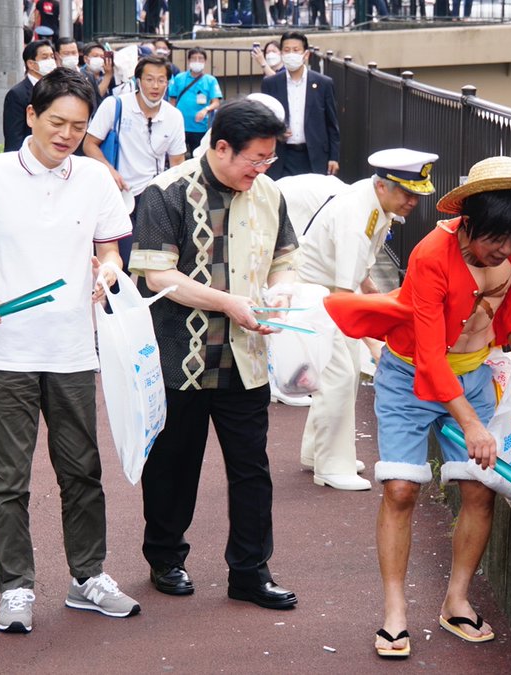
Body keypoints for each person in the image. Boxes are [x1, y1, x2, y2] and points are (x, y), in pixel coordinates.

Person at [324, 156, 511, 658]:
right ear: (469, 222)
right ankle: (394, 611)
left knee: (478, 489)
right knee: (401, 488)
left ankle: (456, 600)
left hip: (470, 375)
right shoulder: (432, 254)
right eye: (496, 239)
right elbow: (428, 355)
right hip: (408, 373)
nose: (506, 250)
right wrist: (473, 426)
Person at [0, 68, 140, 636]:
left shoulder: (97, 181)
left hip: (75, 349)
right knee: (7, 480)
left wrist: (107, 271)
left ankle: (88, 578)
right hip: (6, 350)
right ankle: (16, 588)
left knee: (83, 471)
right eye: (57, 122)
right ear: (31, 115)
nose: (67, 135)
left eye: (78, 126)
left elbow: (110, 251)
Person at [127, 99, 300, 611]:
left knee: (252, 469)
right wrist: (229, 303)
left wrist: (283, 291)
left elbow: (286, 257)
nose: (263, 168)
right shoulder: (167, 192)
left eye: (269, 159)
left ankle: (250, 570)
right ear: (220, 147)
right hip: (180, 357)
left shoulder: (269, 193)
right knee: (173, 466)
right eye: (256, 159)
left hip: (246, 355)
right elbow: (157, 276)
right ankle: (164, 558)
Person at [296, 148, 438, 491]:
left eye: (417, 195)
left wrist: (377, 301)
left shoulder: (372, 202)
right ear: (383, 186)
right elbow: (346, 297)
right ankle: (331, 466)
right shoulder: (357, 218)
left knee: (335, 373)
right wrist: (377, 343)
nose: (412, 202)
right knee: (339, 375)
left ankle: (318, 452)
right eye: (406, 193)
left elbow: (362, 275)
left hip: (326, 291)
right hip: (318, 294)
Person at [82, 55, 185, 255]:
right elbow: (89, 144)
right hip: (118, 193)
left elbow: (177, 163)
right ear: (138, 80)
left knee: (152, 257)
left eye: (161, 80)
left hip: (154, 197)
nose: (155, 86)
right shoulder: (115, 106)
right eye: (149, 79)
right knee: (122, 256)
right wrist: (109, 170)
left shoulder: (174, 116)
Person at [261, 32, 339, 179]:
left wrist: (333, 157)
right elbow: (264, 119)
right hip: (282, 156)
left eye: (296, 50)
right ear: (282, 53)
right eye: (286, 50)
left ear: (306, 54)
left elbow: (332, 123)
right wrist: (277, 131)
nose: (291, 54)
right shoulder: (270, 83)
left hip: (314, 156)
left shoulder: (323, 83)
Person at [167, 48, 222, 157]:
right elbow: (172, 100)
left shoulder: (210, 80)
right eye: (194, 58)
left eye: (200, 59)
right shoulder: (179, 78)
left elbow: (216, 102)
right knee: (177, 154)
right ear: (188, 61)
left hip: (199, 126)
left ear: (205, 62)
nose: (197, 61)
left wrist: (205, 110)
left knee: (197, 155)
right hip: (180, 125)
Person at [2, 39, 54, 151]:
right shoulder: (17, 94)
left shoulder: (56, 89)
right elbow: (14, 138)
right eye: (45, 57)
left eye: (52, 57)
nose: (50, 61)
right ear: (31, 64)